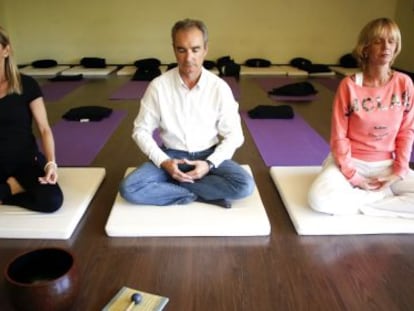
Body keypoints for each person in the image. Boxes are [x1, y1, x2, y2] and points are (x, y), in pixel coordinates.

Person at [119, 18, 254, 208]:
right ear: (174, 49)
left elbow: (235, 135)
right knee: (129, 188)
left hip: (208, 153)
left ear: (205, 49)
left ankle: (173, 186)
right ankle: (199, 193)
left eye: (195, 49)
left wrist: (209, 164)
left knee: (245, 186)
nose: (188, 57)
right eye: (181, 50)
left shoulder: (219, 88)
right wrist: (164, 162)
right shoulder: (158, 86)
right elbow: (140, 130)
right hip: (171, 155)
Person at [308, 17, 414, 218]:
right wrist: (353, 177)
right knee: (318, 199)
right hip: (350, 162)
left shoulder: (404, 84)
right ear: (365, 48)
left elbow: (407, 131)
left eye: (391, 41)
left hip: (386, 165)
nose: (386, 47)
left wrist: (398, 171)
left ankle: (368, 205)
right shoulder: (349, 86)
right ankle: (380, 198)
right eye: (378, 41)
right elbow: (339, 137)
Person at [0, 27, 63, 212]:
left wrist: (51, 163)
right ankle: (14, 188)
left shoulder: (26, 84)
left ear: (6, 50)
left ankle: (6, 194)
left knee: (51, 201)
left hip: (24, 161)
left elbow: (44, 128)